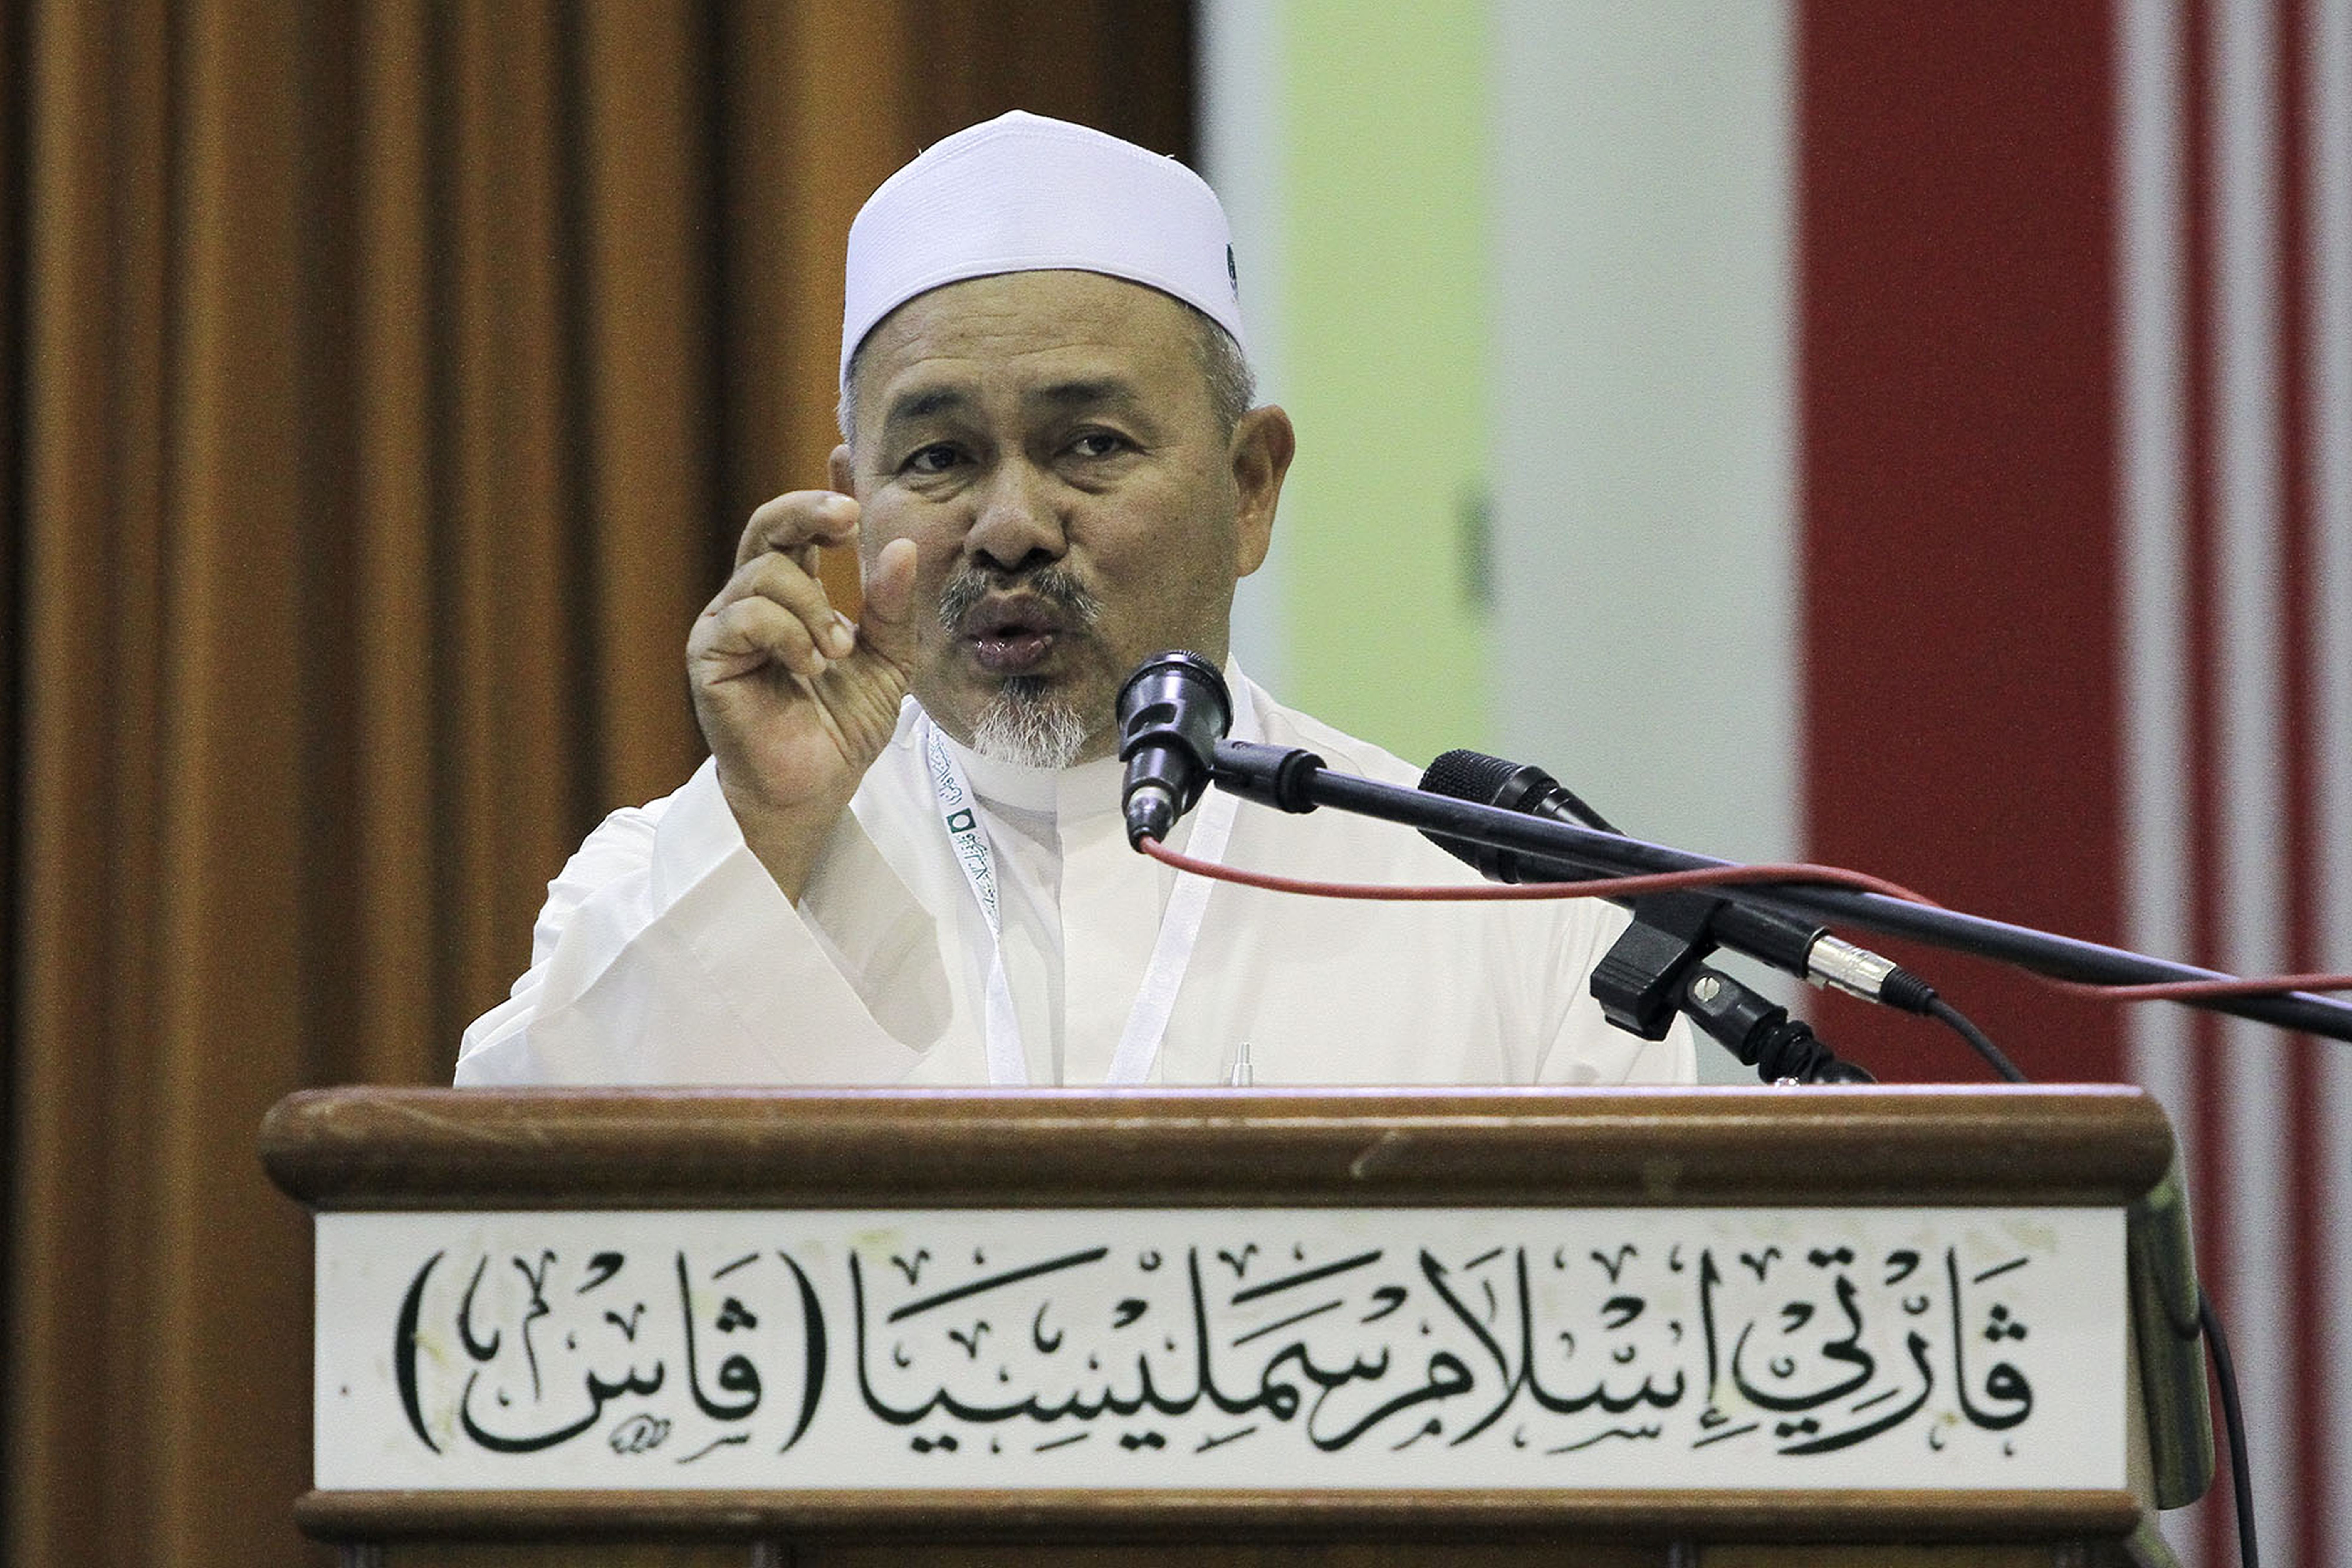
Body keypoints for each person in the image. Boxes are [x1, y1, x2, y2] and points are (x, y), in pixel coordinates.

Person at [455, 111, 1694, 1089]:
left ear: (1249, 485)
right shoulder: (692, 872)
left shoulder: (1494, 916)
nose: (1008, 528)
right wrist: (766, 831)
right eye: (936, 460)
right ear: (853, 502)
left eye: (1090, 444)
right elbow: (501, 1242)